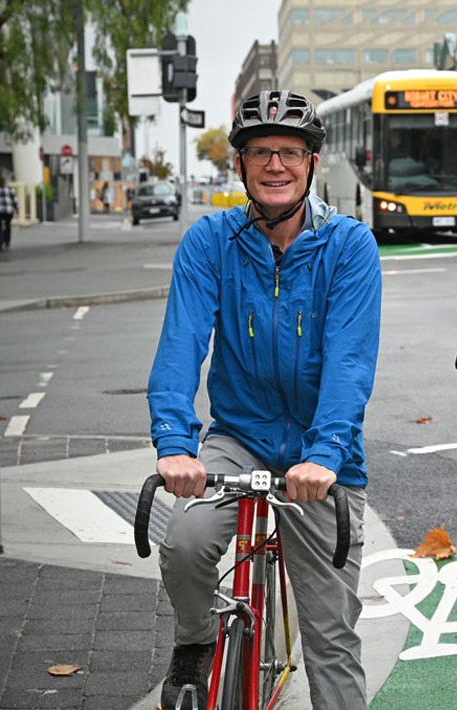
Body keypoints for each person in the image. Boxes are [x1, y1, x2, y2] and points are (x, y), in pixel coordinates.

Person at [148, 89, 382, 710]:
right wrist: (175, 443)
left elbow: (349, 363)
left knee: (331, 638)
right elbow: (181, 345)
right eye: (260, 153)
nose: (275, 165)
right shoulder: (211, 243)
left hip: (320, 452)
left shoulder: (349, 247)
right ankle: (195, 640)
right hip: (239, 436)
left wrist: (326, 452)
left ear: (311, 163)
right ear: (241, 165)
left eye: (289, 152)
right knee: (187, 541)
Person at [0, 174, 18, 251]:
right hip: (8, 210)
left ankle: (0, 243)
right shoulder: (9, 188)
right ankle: (7, 241)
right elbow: (14, 199)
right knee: (7, 226)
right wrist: (17, 208)